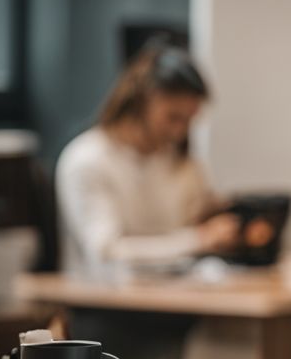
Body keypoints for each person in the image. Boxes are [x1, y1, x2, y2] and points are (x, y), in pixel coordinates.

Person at [56, 45, 239, 275]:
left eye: (188, 120)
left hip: (176, 294)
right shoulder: (87, 160)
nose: (180, 132)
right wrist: (198, 239)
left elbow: (196, 222)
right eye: (172, 118)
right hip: (106, 301)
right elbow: (106, 251)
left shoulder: (178, 161)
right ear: (141, 102)